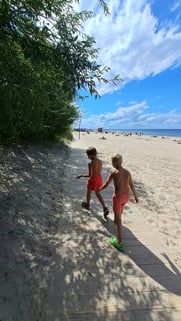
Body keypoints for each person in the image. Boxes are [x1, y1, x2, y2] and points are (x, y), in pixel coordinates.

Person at [99, 153, 138, 251]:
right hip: (127, 197)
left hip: (118, 197)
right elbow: (132, 185)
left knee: (117, 220)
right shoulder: (127, 172)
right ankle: (119, 218)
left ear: (113, 163)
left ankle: (119, 242)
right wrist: (136, 196)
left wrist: (99, 189)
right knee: (120, 210)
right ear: (122, 162)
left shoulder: (113, 173)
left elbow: (106, 184)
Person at [76, 146, 109, 219]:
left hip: (93, 179)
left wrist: (81, 175)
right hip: (99, 179)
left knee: (88, 192)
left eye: (88, 156)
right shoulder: (100, 161)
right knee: (98, 194)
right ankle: (104, 207)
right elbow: (99, 171)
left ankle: (87, 204)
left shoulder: (91, 163)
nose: (88, 157)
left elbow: (90, 175)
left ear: (90, 155)